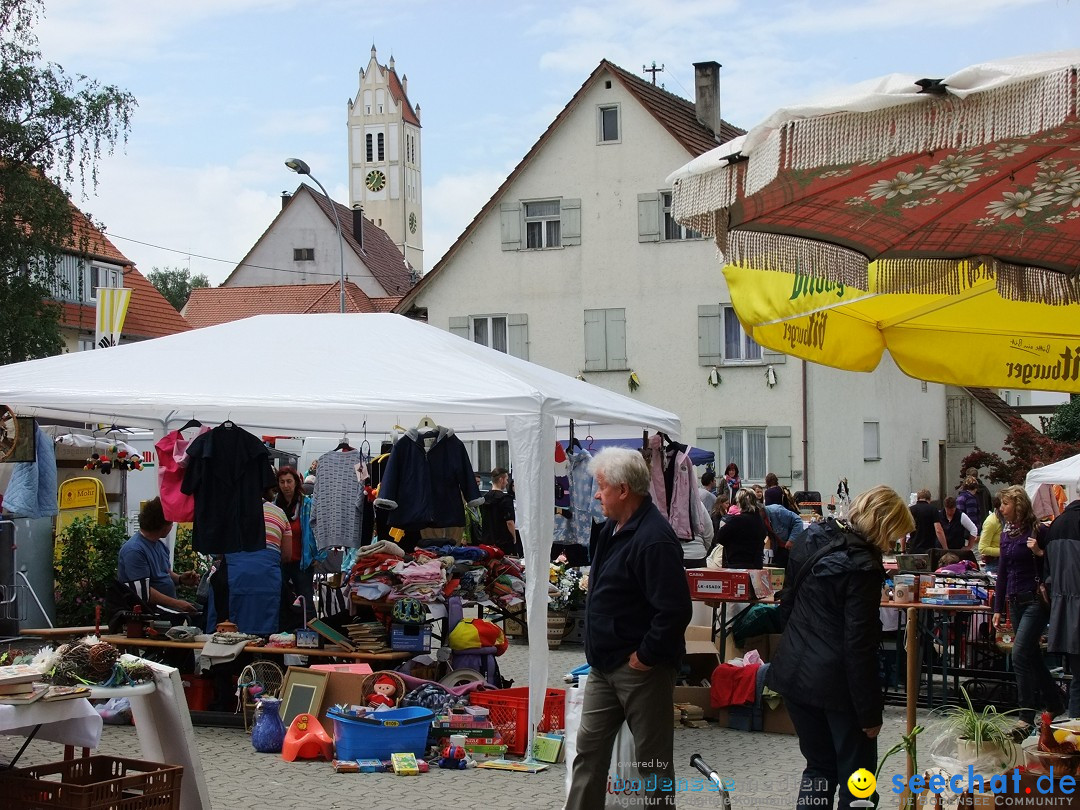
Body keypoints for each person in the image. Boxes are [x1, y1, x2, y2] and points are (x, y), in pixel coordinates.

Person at [768, 485, 914, 809]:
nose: (893, 545)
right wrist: (869, 713)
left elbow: (787, 604)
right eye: (894, 536)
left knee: (819, 770)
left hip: (795, 673)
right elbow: (859, 644)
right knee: (858, 781)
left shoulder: (812, 536)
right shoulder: (863, 566)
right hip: (838, 684)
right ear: (883, 525)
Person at [565, 448, 692, 810]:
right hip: (604, 666)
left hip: (641, 670)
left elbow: (675, 609)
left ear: (623, 489)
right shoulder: (609, 529)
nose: (595, 494)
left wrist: (645, 657)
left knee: (652, 763)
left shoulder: (654, 538)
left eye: (601, 487)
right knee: (587, 754)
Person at [993, 485, 1064, 727]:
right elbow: (1002, 573)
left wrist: (1039, 552)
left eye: (1005, 504)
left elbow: (1055, 561)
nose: (1001, 508)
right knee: (1031, 656)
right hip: (1014, 600)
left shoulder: (1038, 530)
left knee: (1020, 653)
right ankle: (1055, 703)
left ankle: (1025, 716)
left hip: (1035, 598)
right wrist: (997, 609)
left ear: (1018, 505)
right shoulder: (1006, 534)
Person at [116, 497, 199, 613]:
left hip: (167, 608)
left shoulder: (158, 544)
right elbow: (143, 592)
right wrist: (178, 604)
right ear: (163, 526)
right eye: (171, 522)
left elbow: (165, 572)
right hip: (151, 613)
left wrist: (180, 579)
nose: (172, 526)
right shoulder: (134, 551)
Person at [1038, 494, 1080, 717]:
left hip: (1064, 612)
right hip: (1071, 605)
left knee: (1077, 678)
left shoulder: (1056, 524)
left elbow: (1048, 575)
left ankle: (1075, 736)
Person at [275, 465, 316, 624]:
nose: (286, 486)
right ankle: (282, 634)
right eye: (282, 482)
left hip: (302, 562)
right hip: (280, 562)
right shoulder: (274, 506)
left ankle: (312, 636)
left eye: (289, 481)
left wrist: (318, 555)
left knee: (306, 602)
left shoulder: (307, 504)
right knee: (280, 599)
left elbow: (316, 530)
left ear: (296, 482)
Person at [712, 489, 767, 569]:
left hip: (737, 563)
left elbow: (720, 537)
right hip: (756, 564)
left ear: (740, 503)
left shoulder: (736, 520)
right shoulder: (759, 520)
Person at [480, 467, 518, 554]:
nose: (507, 482)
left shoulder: (484, 498)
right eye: (506, 479)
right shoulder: (506, 499)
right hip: (503, 541)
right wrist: (514, 537)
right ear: (501, 480)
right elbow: (509, 522)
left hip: (487, 540)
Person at [765, 501, 806, 570]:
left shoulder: (777, 511)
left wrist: (792, 540)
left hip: (790, 547)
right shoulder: (760, 517)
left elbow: (798, 521)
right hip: (778, 547)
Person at [907, 488, 938, 553]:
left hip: (914, 548)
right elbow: (938, 530)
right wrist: (945, 548)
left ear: (917, 498)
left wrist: (903, 550)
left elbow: (903, 532)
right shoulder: (933, 509)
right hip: (929, 550)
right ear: (929, 499)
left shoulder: (910, 510)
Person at [978, 495, 1003, 573]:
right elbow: (982, 548)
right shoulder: (991, 522)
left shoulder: (1006, 520)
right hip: (995, 564)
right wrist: (1004, 551)